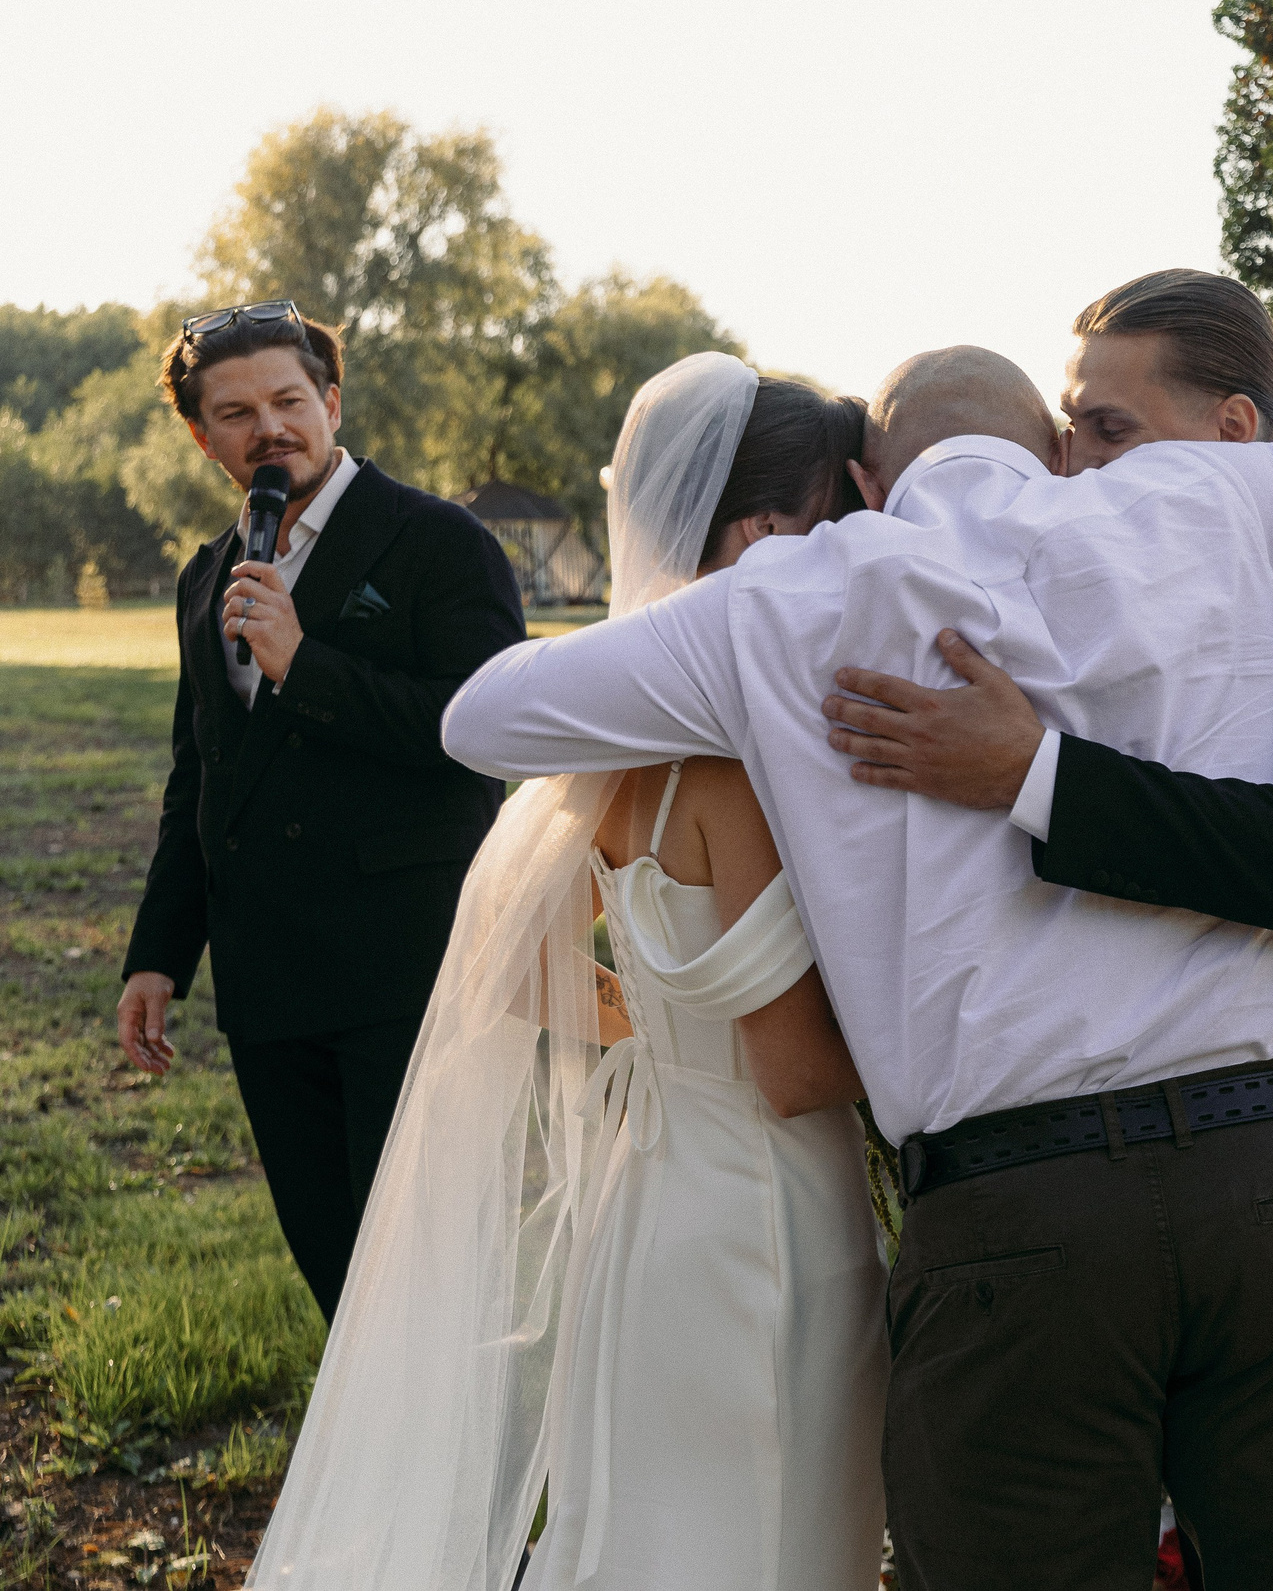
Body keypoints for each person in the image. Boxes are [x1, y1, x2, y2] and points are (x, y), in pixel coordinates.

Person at [438, 343, 1273, 1591]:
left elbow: (483, 716)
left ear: (871, 478)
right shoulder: (1215, 494)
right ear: (1049, 442)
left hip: (1017, 1217)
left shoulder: (790, 600)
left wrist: (751, 625)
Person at [820, 269, 1273, 1587]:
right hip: (1118, 1196)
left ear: (1232, 437)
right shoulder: (1074, 595)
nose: (1070, 467)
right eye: (1065, 432)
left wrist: (1033, 772)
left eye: (1106, 431)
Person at [247, 355, 889, 1591]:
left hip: (648, 1201)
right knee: (771, 1542)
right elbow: (800, 1069)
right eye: (836, 524)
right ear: (762, 531)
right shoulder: (730, 766)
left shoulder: (607, 742)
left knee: (661, 1534)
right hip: (766, 1222)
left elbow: (522, 976)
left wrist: (664, 1033)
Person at [115, 301, 524, 1320]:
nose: (271, 429)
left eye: (290, 400)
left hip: (406, 970)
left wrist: (309, 667)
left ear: (331, 401)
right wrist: (159, 952)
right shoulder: (205, 576)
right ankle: (369, 1476)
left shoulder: (440, 542)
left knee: (429, 1278)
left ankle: (454, 1476)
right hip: (269, 985)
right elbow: (198, 773)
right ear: (205, 436)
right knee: (340, 1281)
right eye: (238, 411)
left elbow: (489, 732)